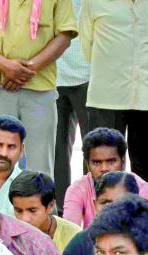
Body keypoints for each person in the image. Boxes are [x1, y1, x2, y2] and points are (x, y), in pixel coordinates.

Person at [0, 0, 77, 179]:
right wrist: (5, 66)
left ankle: (38, 207)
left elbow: (64, 35)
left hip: (40, 89)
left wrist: (26, 71)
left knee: (40, 169)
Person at [81, 0, 148, 183]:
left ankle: (140, 211)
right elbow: (87, 45)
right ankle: (103, 211)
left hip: (145, 96)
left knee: (143, 169)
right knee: (103, 169)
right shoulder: (93, 3)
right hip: (106, 97)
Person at [63, 127, 148, 230]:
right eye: (97, 162)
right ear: (88, 165)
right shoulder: (78, 189)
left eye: (111, 161)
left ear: (123, 162)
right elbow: (69, 233)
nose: (104, 168)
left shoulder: (143, 189)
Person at [63, 172, 141, 255]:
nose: (113, 209)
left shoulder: (147, 238)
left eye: (121, 203)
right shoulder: (81, 241)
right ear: (95, 204)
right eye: (106, 203)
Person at [53, 0, 90, 212]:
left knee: (92, 147)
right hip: (55, 73)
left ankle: (93, 205)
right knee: (58, 149)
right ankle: (62, 209)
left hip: (89, 74)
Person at [10, 171, 82, 253]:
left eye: (32, 210)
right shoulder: (8, 237)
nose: (24, 219)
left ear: (50, 206)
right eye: (18, 210)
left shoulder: (74, 236)